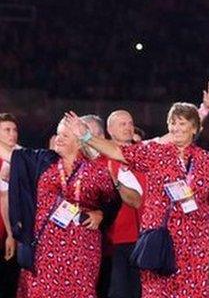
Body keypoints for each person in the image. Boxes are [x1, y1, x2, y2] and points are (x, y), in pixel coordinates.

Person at [67, 102, 209, 298]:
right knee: (158, 292)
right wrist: (87, 136)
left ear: (194, 128)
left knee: (194, 293)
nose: (176, 128)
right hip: (161, 237)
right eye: (172, 123)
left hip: (194, 241)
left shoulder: (206, 159)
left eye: (182, 124)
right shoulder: (156, 153)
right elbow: (117, 152)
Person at [4, 116, 116, 298]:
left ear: (79, 142)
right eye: (58, 134)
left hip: (83, 251)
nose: (58, 139)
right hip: (45, 250)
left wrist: (101, 214)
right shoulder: (43, 160)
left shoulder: (96, 170)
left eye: (64, 135)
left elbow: (113, 201)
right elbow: (10, 154)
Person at [100, 110, 145, 298]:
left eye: (130, 123)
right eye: (122, 124)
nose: (128, 127)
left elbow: (175, 138)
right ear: (110, 130)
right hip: (115, 237)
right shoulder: (101, 159)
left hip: (144, 235)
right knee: (118, 290)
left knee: (141, 291)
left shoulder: (144, 154)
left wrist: (204, 110)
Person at [0, 113, 22, 298]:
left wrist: (10, 233)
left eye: (14, 130)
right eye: (7, 130)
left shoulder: (21, 158)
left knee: (9, 282)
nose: (12, 134)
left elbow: (5, 196)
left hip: (12, 229)